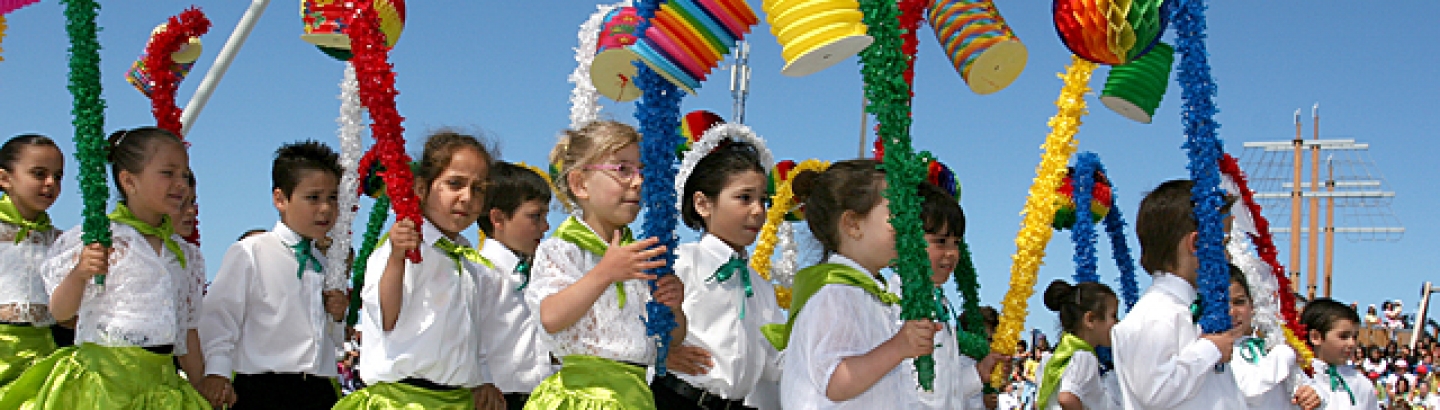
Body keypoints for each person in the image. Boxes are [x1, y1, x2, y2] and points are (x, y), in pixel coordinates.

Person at [0, 127, 209, 408]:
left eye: (184, 174)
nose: (181, 183)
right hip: (104, 386)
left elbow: (187, 333)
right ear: (128, 181)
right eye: (168, 173)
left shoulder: (186, 256)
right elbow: (61, 312)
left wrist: (201, 384)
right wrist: (80, 273)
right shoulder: (94, 238)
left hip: (162, 387)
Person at [335, 131, 506, 409]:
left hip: (456, 400)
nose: (467, 197)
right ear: (421, 188)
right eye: (454, 184)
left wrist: (480, 378)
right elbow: (386, 316)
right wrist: (396, 258)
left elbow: (471, 335)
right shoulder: (401, 248)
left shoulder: (467, 263)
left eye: (479, 189)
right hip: (402, 399)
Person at [524, 121, 686, 410]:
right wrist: (605, 273)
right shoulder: (562, 248)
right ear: (580, 184)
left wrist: (673, 306)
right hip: (583, 397)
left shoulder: (640, 255)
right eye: (623, 170)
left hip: (635, 396)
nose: (637, 182)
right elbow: (550, 316)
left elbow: (672, 339)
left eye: (641, 171)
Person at [769, 159, 941, 409]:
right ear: (853, 224)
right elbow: (837, 381)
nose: (909, 226)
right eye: (897, 215)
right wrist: (899, 347)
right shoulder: (836, 293)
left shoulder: (868, 292)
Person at [198, 141, 349, 409]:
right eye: (313, 197)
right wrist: (217, 372)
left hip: (319, 392)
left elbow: (331, 342)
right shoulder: (251, 252)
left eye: (333, 198)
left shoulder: (325, 264)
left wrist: (336, 317)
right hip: (264, 391)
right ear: (280, 199)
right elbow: (220, 317)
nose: (325, 208)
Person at [655, 139, 785, 410]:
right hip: (677, 400)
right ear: (703, 204)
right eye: (744, 198)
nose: (758, 210)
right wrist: (658, 355)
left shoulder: (761, 288)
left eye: (763, 200)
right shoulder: (682, 262)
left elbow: (775, 363)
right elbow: (637, 325)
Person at [1111, 179, 1246, 410]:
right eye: (1223, 244)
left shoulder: (1189, 309)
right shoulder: (1156, 313)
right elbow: (1155, 390)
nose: (1228, 258)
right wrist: (1209, 350)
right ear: (1195, 243)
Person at [892, 181, 1003, 409]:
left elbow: (942, 392)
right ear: (908, 239)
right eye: (940, 242)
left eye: (957, 243)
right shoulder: (894, 301)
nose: (952, 253)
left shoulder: (940, 302)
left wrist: (979, 373)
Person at [475, 161, 558, 409]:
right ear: (498, 218)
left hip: (540, 397)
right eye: (536, 216)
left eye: (546, 216)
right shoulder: (480, 273)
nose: (545, 226)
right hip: (496, 399)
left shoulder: (537, 273)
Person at [0, 134, 64, 388]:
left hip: (44, 357)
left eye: (58, 176)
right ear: (5, 178)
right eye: (39, 174)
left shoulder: (60, 240)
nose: (50, 183)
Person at [1228, 264, 1322, 409]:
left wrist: (1311, 395)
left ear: (1252, 305)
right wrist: (1285, 354)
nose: (1232, 312)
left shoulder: (1269, 344)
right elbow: (1249, 388)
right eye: (1223, 304)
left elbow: (1301, 388)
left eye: (1239, 302)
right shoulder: (1219, 351)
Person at [1035, 280, 1121, 410]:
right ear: (1090, 320)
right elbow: (1067, 398)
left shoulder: (1052, 360)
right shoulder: (1083, 358)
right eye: (1113, 316)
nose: (1117, 322)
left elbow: (1038, 403)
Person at [1301, 298, 1379, 409]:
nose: (1352, 343)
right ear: (1315, 337)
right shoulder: (1297, 377)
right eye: (1343, 336)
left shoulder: (1361, 384)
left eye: (1355, 337)